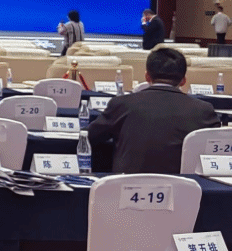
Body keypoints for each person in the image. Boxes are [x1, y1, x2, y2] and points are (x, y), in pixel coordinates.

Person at [87, 48, 219, 174]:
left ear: (147, 76)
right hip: (183, 187)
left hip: (127, 185)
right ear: (184, 80)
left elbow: (90, 136)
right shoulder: (203, 110)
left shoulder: (121, 104)